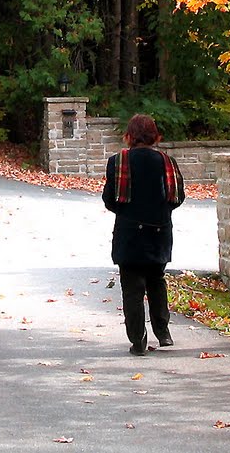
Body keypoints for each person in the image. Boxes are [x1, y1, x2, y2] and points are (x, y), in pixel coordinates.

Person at [102, 114, 184, 356]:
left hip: (129, 234)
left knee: (132, 288)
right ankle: (163, 333)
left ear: (129, 135)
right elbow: (177, 197)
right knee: (157, 281)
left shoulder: (118, 161)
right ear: (154, 135)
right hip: (159, 232)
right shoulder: (167, 162)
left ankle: (138, 341)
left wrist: (128, 213)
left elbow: (109, 199)